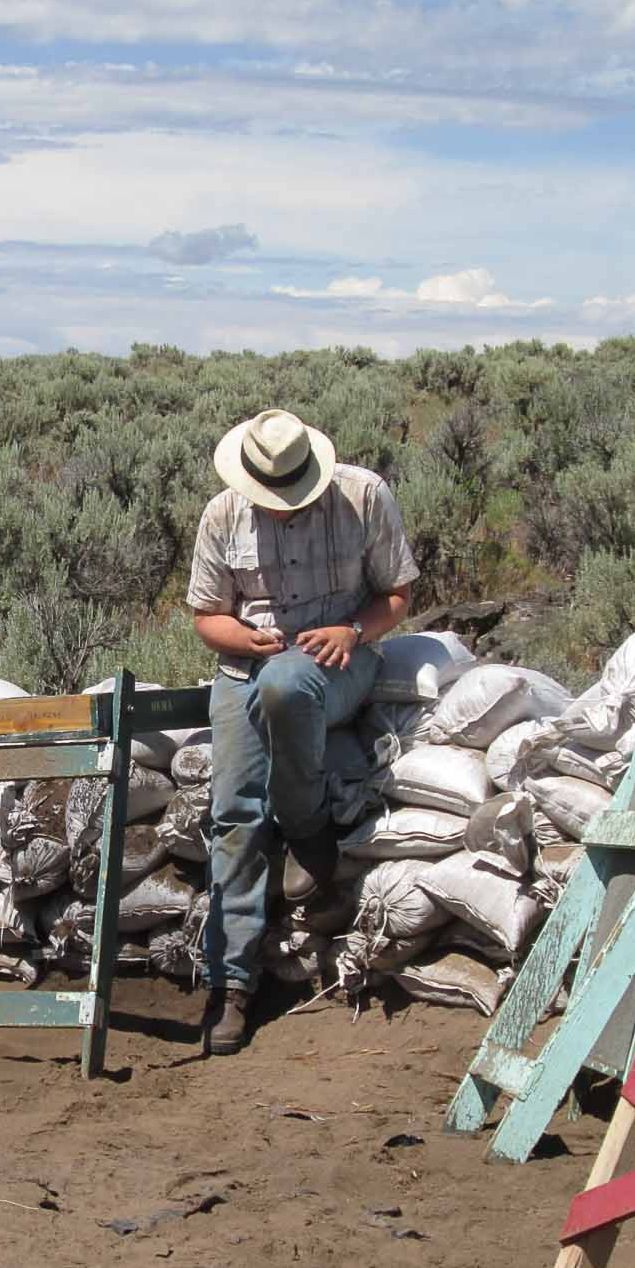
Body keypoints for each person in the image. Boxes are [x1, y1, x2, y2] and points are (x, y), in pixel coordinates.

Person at [179, 407, 415, 1058]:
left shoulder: (364, 496)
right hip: (243, 667)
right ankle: (229, 985)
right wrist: (245, 637)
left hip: (339, 662)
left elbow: (397, 592)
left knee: (287, 681)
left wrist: (352, 631)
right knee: (233, 813)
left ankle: (306, 820)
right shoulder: (222, 515)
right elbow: (207, 616)